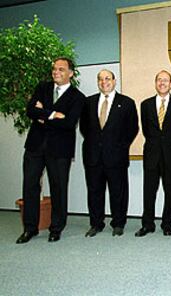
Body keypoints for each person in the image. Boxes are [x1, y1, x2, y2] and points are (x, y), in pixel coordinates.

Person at [16, 57, 85, 244]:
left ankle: (56, 228)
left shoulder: (78, 97)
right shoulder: (42, 88)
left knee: (59, 188)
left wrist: (42, 114)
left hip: (60, 150)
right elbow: (30, 110)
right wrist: (53, 114)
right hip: (35, 146)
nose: (56, 72)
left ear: (70, 73)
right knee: (30, 185)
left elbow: (69, 123)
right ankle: (30, 228)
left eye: (61, 69)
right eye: (54, 69)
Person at [80, 69, 138, 237]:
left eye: (107, 78)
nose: (104, 82)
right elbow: (85, 127)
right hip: (93, 156)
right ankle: (96, 223)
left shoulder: (126, 102)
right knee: (94, 191)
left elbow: (132, 128)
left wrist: (120, 146)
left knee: (118, 192)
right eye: (100, 79)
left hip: (116, 156)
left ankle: (118, 223)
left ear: (114, 81)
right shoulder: (89, 102)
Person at [136, 70, 171, 237]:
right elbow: (146, 130)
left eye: (166, 80)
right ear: (155, 83)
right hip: (152, 155)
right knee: (149, 192)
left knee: (170, 192)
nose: (162, 83)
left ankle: (167, 224)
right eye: (159, 80)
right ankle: (147, 224)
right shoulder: (145, 104)